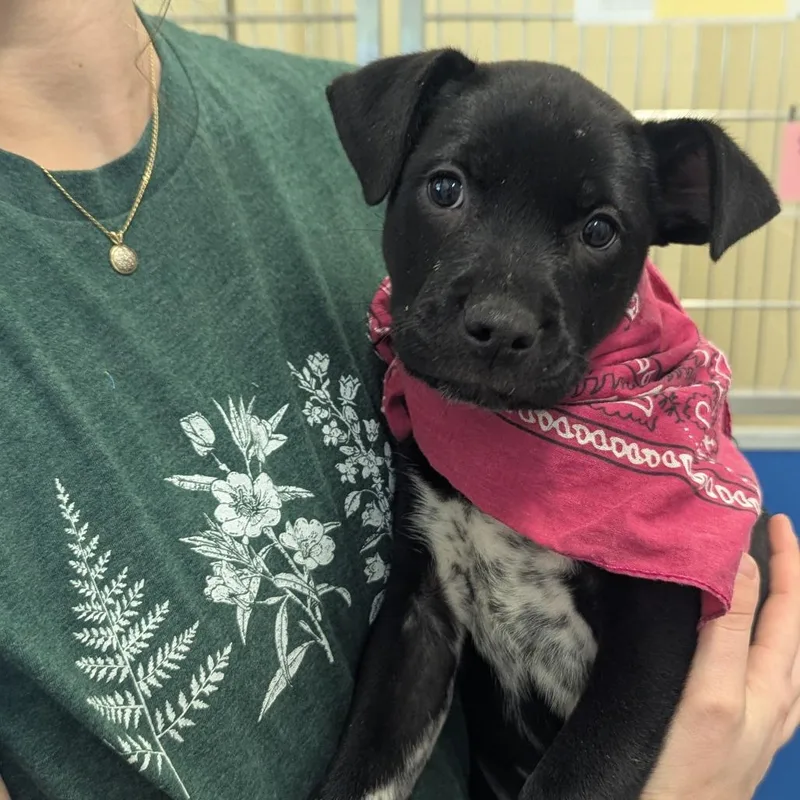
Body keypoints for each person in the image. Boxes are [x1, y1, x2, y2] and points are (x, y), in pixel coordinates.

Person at [0, 2, 797, 798]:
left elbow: (673, 677)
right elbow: (421, 623)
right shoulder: (433, 417)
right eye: (448, 190)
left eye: (596, 232)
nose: (502, 310)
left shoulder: (665, 464)